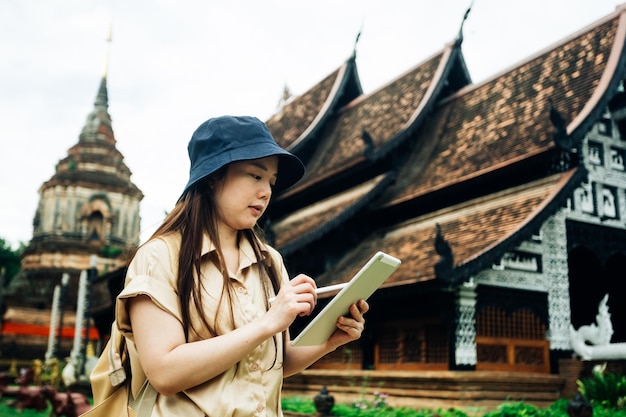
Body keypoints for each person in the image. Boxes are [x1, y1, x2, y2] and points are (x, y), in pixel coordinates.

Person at [115, 115, 369, 416]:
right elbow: (164, 374)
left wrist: (330, 340)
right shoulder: (160, 256)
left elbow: (273, 363)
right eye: (255, 175)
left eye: (271, 182)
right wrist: (268, 323)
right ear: (212, 176)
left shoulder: (269, 261)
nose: (266, 192)